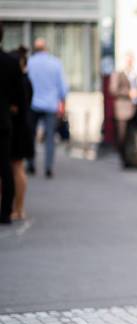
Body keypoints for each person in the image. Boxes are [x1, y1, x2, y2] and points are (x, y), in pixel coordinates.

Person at [27, 37, 68, 179]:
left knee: (30, 135)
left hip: (32, 103)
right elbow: (63, 88)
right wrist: (63, 102)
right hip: (50, 104)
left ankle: (30, 163)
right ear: (46, 48)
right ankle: (48, 167)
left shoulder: (30, 63)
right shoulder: (55, 63)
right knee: (50, 137)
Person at [0, 23, 27, 225]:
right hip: (4, 122)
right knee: (6, 167)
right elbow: (21, 97)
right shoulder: (11, 63)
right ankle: (6, 211)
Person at [8, 46, 33, 221]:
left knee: (16, 167)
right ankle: (19, 207)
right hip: (22, 128)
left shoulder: (20, 81)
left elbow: (18, 106)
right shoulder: (26, 80)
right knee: (18, 167)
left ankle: (17, 207)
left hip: (16, 129)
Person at [109, 52, 137, 168]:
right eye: (128, 60)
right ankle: (124, 160)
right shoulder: (118, 74)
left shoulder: (134, 74)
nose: (130, 63)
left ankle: (132, 159)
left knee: (132, 136)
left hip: (134, 108)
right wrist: (128, 93)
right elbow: (113, 90)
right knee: (122, 136)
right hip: (123, 110)